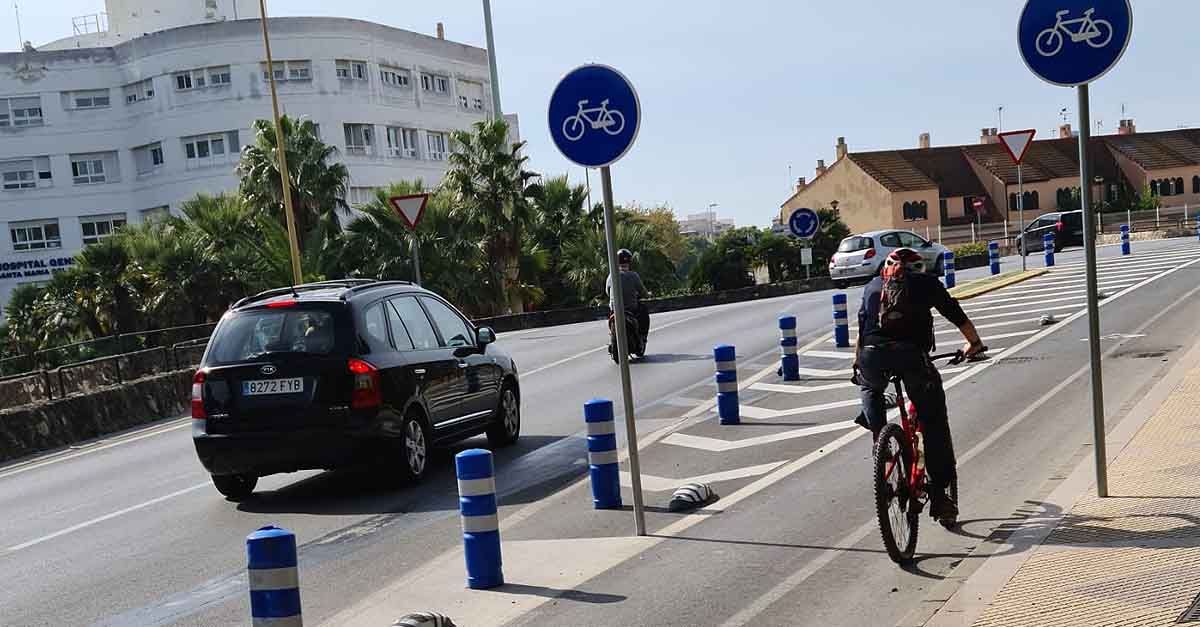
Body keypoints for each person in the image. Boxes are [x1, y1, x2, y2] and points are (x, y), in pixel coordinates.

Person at [853, 248, 984, 523]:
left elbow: (861, 330)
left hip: (871, 356)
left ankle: (879, 436)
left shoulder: (872, 286)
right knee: (933, 420)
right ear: (919, 268)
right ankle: (939, 495)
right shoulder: (926, 284)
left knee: (868, 386)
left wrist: (858, 366)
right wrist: (973, 343)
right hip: (911, 358)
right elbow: (954, 313)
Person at [605, 248, 650, 346]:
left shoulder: (611, 276)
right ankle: (643, 337)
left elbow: (607, 292)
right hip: (631, 309)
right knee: (643, 310)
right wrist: (648, 295)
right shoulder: (634, 276)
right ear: (629, 261)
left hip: (615, 309)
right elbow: (643, 292)